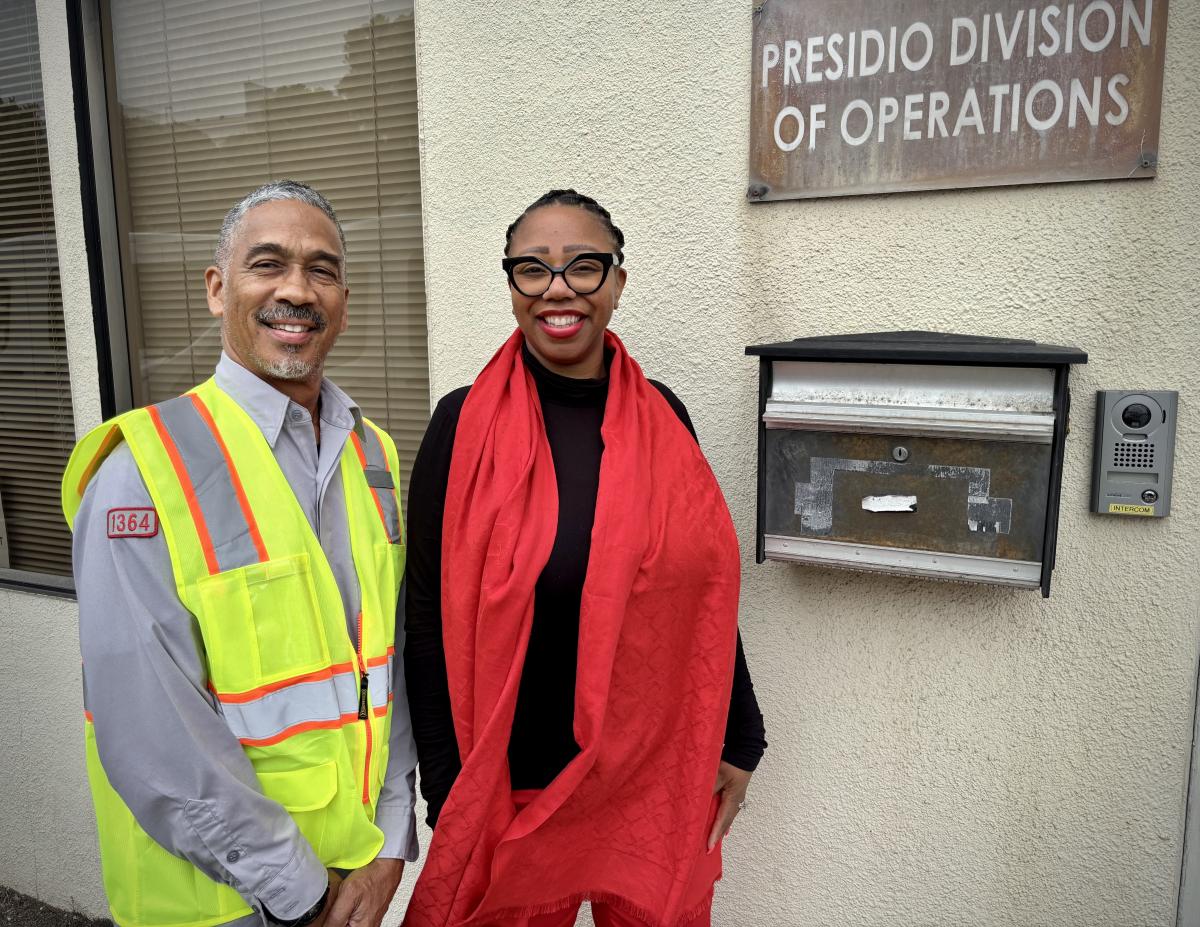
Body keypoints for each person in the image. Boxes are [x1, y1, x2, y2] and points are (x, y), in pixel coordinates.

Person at [403, 190, 767, 927]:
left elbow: (700, 590)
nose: (558, 287)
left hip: (653, 779)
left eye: (583, 266)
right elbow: (427, 618)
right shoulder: (460, 425)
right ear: (512, 288)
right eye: (532, 269)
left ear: (617, 282)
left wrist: (740, 732)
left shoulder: (664, 414)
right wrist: (448, 789)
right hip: (516, 787)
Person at [62, 180, 418, 927]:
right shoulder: (142, 469)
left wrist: (390, 841)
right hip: (219, 906)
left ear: (344, 301)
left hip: (351, 882)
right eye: (269, 264)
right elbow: (151, 732)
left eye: (321, 269)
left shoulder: (371, 452)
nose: (297, 289)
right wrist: (301, 891)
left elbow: (387, 661)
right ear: (218, 290)